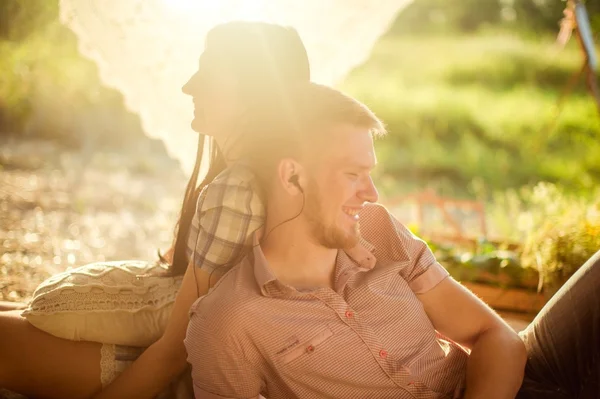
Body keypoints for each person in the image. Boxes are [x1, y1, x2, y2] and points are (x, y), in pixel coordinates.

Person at [184, 83, 600, 399]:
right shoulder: (229, 321)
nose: (371, 193)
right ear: (292, 176)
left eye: (370, 173)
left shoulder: (378, 228)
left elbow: (499, 340)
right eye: (352, 174)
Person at [0, 21, 325, 399]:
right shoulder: (273, 177)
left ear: (251, 91)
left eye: (207, 71)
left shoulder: (237, 190)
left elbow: (178, 351)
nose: (189, 86)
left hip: (175, 377)